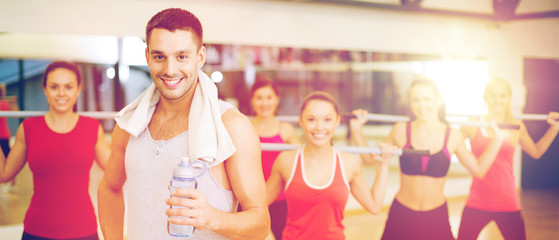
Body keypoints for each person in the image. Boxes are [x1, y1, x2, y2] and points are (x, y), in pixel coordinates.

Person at [97, 8, 269, 240]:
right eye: (159, 57)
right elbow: (109, 188)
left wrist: (212, 218)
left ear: (200, 57)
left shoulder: (231, 127)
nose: (170, 70)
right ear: (147, 56)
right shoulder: (130, 124)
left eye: (182, 56)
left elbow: (260, 225)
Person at [350, 78, 505, 240]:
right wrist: (356, 130)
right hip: (402, 214)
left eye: (427, 99)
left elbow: (479, 170)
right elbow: (368, 160)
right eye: (416, 100)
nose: (421, 105)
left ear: (437, 100)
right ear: (410, 102)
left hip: (436, 215)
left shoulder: (453, 136)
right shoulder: (401, 130)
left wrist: (497, 140)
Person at [0, 60, 110, 240]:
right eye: (54, 87)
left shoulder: (92, 128)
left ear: (78, 89)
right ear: (45, 89)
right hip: (37, 232)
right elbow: (3, 175)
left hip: (83, 231)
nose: (61, 93)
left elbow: (117, 172)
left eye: (68, 87)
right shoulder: (28, 128)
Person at [266, 91, 394, 240]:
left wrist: (383, 165)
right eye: (311, 119)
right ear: (301, 121)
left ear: (337, 121)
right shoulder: (286, 161)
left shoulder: (348, 163)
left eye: (327, 119)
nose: (319, 127)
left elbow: (374, 206)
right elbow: (260, 204)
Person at [457, 78, 559, 240]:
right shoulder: (473, 124)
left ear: (509, 98)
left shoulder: (516, 125)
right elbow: (451, 144)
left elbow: (536, 151)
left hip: (507, 200)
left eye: (502, 96)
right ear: (485, 97)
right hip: (477, 200)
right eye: (493, 95)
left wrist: (554, 129)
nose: (498, 100)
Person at [249, 78, 300, 240]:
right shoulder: (245, 127)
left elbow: (302, 159)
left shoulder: (286, 130)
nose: (265, 103)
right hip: (250, 197)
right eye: (259, 98)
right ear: (252, 101)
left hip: (280, 199)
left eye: (269, 97)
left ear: (277, 99)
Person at [0, 83, 18, 191]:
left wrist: (12, 102)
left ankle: (13, 184)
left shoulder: (5, 104)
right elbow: (16, 113)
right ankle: (13, 184)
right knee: (9, 160)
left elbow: (16, 113)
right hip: (4, 136)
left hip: (4, 136)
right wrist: (13, 103)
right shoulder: (5, 104)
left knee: (9, 160)